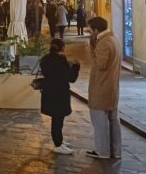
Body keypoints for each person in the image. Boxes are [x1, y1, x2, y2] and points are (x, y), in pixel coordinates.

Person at [86, 17, 122, 159]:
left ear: (96, 30)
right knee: (113, 121)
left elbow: (100, 65)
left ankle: (103, 151)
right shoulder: (115, 38)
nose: (89, 33)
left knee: (100, 121)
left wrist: (91, 49)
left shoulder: (103, 43)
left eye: (90, 30)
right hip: (112, 87)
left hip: (101, 86)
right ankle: (116, 151)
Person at [40, 38, 81, 154]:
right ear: (63, 48)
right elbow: (71, 78)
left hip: (49, 92)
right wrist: (76, 67)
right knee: (58, 119)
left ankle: (59, 141)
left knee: (56, 118)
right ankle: (58, 144)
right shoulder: (61, 61)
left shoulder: (45, 59)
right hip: (59, 93)